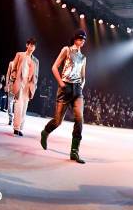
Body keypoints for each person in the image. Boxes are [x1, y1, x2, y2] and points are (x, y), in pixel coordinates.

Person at [40, 29, 87, 164]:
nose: (82, 41)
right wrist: (61, 84)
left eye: (84, 39)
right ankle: (45, 132)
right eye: (80, 38)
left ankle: (74, 151)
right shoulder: (66, 50)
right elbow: (54, 67)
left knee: (79, 118)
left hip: (77, 90)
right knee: (58, 121)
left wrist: (80, 88)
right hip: (65, 87)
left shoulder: (83, 58)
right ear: (75, 39)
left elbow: (84, 77)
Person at [9, 38, 39, 136]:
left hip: (28, 85)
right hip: (19, 83)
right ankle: (16, 128)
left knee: (24, 107)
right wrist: (12, 80)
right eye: (30, 45)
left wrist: (34, 87)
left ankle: (20, 128)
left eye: (34, 46)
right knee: (18, 105)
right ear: (27, 45)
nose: (32, 47)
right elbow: (13, 69)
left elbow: (36, 75)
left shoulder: (36, 61)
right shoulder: (19, 55)